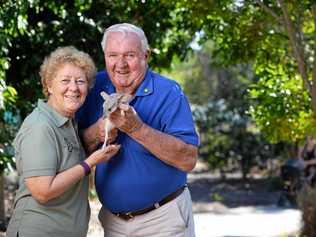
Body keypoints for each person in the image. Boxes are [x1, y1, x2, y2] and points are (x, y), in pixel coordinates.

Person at [76, 23, 199, 236]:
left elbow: (188, 159)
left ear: (146, 55)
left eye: (129, 55)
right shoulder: (94, 86)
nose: (120, 64)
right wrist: (98, 131)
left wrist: (137, 129)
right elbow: (74, 149)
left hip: (164, 221)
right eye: (112, 55)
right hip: (113, 222)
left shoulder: (169, 93)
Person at [6, 46, 121, 237]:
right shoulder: (40, 126)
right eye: (65, 81)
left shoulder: (69, 123)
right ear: (49, 85)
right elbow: (43, 191)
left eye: (80, 81)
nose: (74, 88)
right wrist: (91, 162)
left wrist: (100, 134)